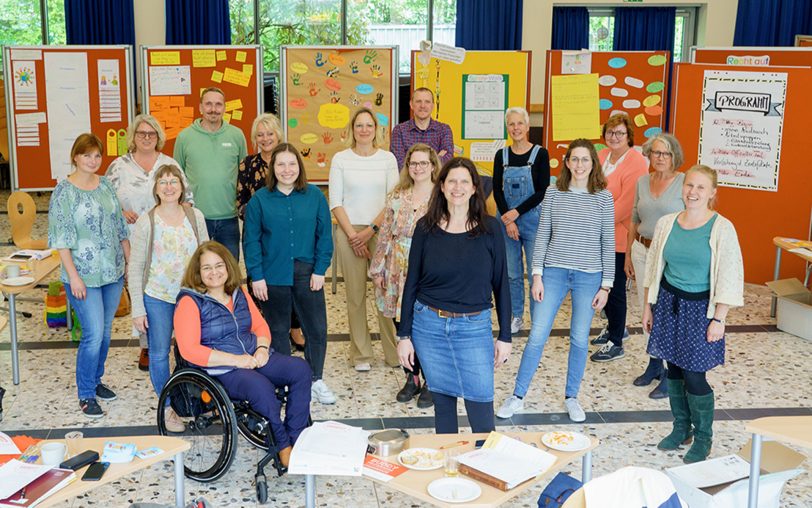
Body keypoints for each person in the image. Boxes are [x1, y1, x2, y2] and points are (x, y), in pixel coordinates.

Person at [497, 139, 614, 423]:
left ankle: (572, 397)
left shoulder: (603, 198)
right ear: (567, 162)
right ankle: (518, 396)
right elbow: (542, 236)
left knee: (578, 338)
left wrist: (606, 285)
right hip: (553, 272)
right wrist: (536, 275)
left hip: (589, 276)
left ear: (593, 163)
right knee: (537, 335)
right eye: (574, 159)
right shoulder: (553, 193)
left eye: (585, 160)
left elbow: (608, 243)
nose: (579, 165)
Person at [397, 157, 511, 434]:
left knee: (480, 404)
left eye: (464, 182)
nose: (457, 187)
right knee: (443, 403)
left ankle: (484, 468)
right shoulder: (426, 227)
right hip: (429, 326)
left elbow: (501, 284)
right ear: (442, 186)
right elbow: (411, 282)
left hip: (473, 327)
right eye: (451, 181)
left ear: (474, 188)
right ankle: (447, 470)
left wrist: (505, 336)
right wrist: (404, 336)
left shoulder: (490, 229)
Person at [174, 241, 312, 467]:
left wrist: (261, 348)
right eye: (206, 268)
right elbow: (189, 350)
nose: (214, 272)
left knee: (300, 369)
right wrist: (237, 360)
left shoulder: (238, 293)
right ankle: (283, 445)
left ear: (228, 267)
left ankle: (296, 438)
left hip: (252, 356)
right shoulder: (190, 302)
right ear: (197, 273)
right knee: (261, 388)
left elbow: (259, 326)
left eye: (219, 265)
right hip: (221, 368)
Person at [643, 165, 743, 463]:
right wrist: (649, 306)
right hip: (669, 304)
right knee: (672, 369)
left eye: (701, 187)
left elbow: (729, 273)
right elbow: (653, 267)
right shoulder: (666, 223)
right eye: (689, 185)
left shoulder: (722, 228)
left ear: (713, 193)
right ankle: (681, 428)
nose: (693, 192)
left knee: (694, 375)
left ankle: (703, 437)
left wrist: (719, 319)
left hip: (701, 311)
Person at [243, 143, 336, 405]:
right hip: (272, 275)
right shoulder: (260, 199)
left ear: (299, 167)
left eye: (292, 164)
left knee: (316, 328)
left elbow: (324, 237)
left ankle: (316, 379)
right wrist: (256, 276)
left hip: (308, 275)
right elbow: (251, 241)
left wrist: (321, 270)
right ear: (273, 168)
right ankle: (284, 382)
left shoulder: (315, 196)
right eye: (281, 164)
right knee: (278, 330)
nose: (287, 169)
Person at [49, 133, 130, 419]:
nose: (93, 161)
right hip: (81, 275)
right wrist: (74, 277)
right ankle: (85, 393)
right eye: (87, 156)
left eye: (97, 156)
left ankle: (96, 381)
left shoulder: (106, 185)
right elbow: (61, 239)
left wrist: (128, 265)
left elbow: (120, 228)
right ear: (75, 157)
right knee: (93, 334)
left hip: (112, 271)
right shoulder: (64, 192)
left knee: (105, 332)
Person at [106, 114, 193, 372]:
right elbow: (107, 201)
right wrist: (121, 213)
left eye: (151, 134)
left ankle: (180, 342)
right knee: (140, 289)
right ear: (133, 136)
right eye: (141, 133)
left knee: (169, 290)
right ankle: (147, 344)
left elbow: (187, 198)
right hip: (132, 240)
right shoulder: (119, 166)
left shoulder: (169, 164)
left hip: (167, 243)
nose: (146, 138)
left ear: (158, 137)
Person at [128, 164, 209, 431]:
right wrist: (138, 309)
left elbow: (207, 256)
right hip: (158, 296)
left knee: (193, 351)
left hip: (191, 296)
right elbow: (136, 267)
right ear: (156, 189)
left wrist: (210, 293)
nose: (169, 186)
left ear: (182, 187)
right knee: (160, 353)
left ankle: (196, 401)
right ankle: (167, 408)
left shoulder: (195, 216)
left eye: (174, 181)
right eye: (163, 182)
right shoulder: (147, 221)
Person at [368, 144, 440, 408]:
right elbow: (385, 233)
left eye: (423, 163)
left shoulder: (441, 196)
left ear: (433, 166)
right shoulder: (397, 196)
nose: (418, 168)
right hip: (397, 266)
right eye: (413, 164)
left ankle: (432, 380)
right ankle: (412, 377)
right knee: (403, 325)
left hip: (429, 267)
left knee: (427, 326)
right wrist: (377, 269)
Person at [329, 107, 400, 371]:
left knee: (385, 294)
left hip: (380, 231)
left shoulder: (388, 159)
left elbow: (392, 199)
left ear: (376, 129)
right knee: (356, 295)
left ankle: (394, 354)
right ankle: (361, 355)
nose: (364, 130)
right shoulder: (341, 159)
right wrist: (352, 235)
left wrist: (370, 231)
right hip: (348, 231)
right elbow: (335, 201)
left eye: (369, 125)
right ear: (352, 129)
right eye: (359, 125)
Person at [235, 113, 306, 351]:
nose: (265, 138)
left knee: (290, 280)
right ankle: (265, 330)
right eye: (260, 134)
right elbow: (240, 202)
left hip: (289, 238)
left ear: (279, 135)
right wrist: (261, 214)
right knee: (259, 281)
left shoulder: (289, 162)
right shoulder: (247, 165)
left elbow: (300, 195)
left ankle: (294, 329)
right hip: (259, 236)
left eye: (270, 133)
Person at [627, 133, 686, 399]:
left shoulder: (684, 183)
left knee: (665, 312)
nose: (660, 158)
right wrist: (629, 254)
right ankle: (654, 364)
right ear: (649, 155)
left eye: (665, 153)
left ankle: (671, 374)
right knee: (646, 308)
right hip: (641, 250)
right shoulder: (642, 182)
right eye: (655, 153)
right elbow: (633, 219)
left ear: (674, 156)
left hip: (669, 256)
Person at [589, 114, 648, 363]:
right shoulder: (601, 157)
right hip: (598, 235)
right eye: (610, 132)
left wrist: (593, 220)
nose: (614, 137)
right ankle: (615, 326)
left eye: (620, 133)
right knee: (601, 285)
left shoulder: (636, 162)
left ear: (629, 136)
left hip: (619, 236)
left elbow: (626, 205)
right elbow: (588, 188)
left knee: (614, 290)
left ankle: (616, 342)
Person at [492, 107, 550, 335]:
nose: (515, 128)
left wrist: (516, 213)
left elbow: (542, 190)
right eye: (511, 124)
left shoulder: (540, 154)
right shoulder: (501, 156)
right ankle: (516, 316)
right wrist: (508, 220)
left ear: (527, 127)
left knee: (536, 272)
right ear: (507, 128)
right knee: (512, 272)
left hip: (533, 219)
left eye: (519, 124)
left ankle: (538, 319)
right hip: (506, 221)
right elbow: (497, 190)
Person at [174, 87, 248, 261]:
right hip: (196, 216)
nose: (213, 109)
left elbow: (244, 175)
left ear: (224, 108)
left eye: (218, 104)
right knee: (197, 268)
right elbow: (177, 176)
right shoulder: (184, 137)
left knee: (229, 269)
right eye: (208, 104)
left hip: (229, 217)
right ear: (200, 107)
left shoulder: (236, 135)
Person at [390, 88, 454, 169]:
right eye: (418, 101)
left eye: (427, 102)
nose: (423, 106)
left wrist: (412, 163)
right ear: (411, 105)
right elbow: (399, 163)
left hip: (436, 181)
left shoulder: (444, 130)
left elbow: (447, 160)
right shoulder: (399, 131)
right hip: (409, 181)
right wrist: (435, 159)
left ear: (432, 105)